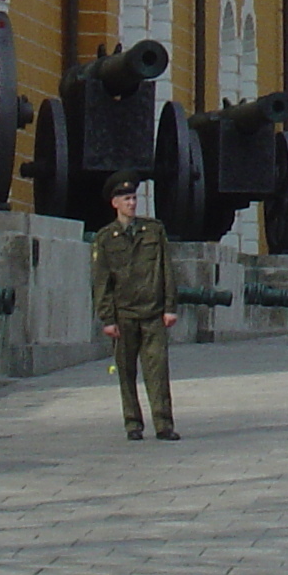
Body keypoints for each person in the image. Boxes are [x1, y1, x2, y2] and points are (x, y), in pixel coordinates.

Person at [92, 171, 180, 440]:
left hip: (152, 313)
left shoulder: (153, 230)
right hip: (124, 315)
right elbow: (101, 280)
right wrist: (107, 319)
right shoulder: (106, 238)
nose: (132, 203)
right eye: (126, 198)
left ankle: (163, 424)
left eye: (134, 198)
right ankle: (133, 424)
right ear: (115, 203)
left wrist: (169, 307)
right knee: (126, 373)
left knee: (157, 370)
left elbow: (166, 269)